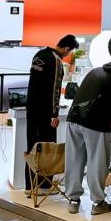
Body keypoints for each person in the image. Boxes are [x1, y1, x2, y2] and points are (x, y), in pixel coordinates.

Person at [65, 34, 111, 216]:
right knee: (97, 162)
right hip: (95, 122)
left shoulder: (96, 70)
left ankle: (73, 200)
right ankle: (98, 202)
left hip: (73, 118)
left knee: (74, 160)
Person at [24, 35, 78, 189]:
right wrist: (54, 114)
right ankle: (45, 185)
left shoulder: (39, 55)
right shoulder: (56, 60)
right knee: (46, 148)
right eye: (70, 52)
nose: (68, 55)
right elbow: (55, 88)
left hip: (31, 108)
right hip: (45, 112)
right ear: (66, 48)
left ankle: (30, 185)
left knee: (32, 146)